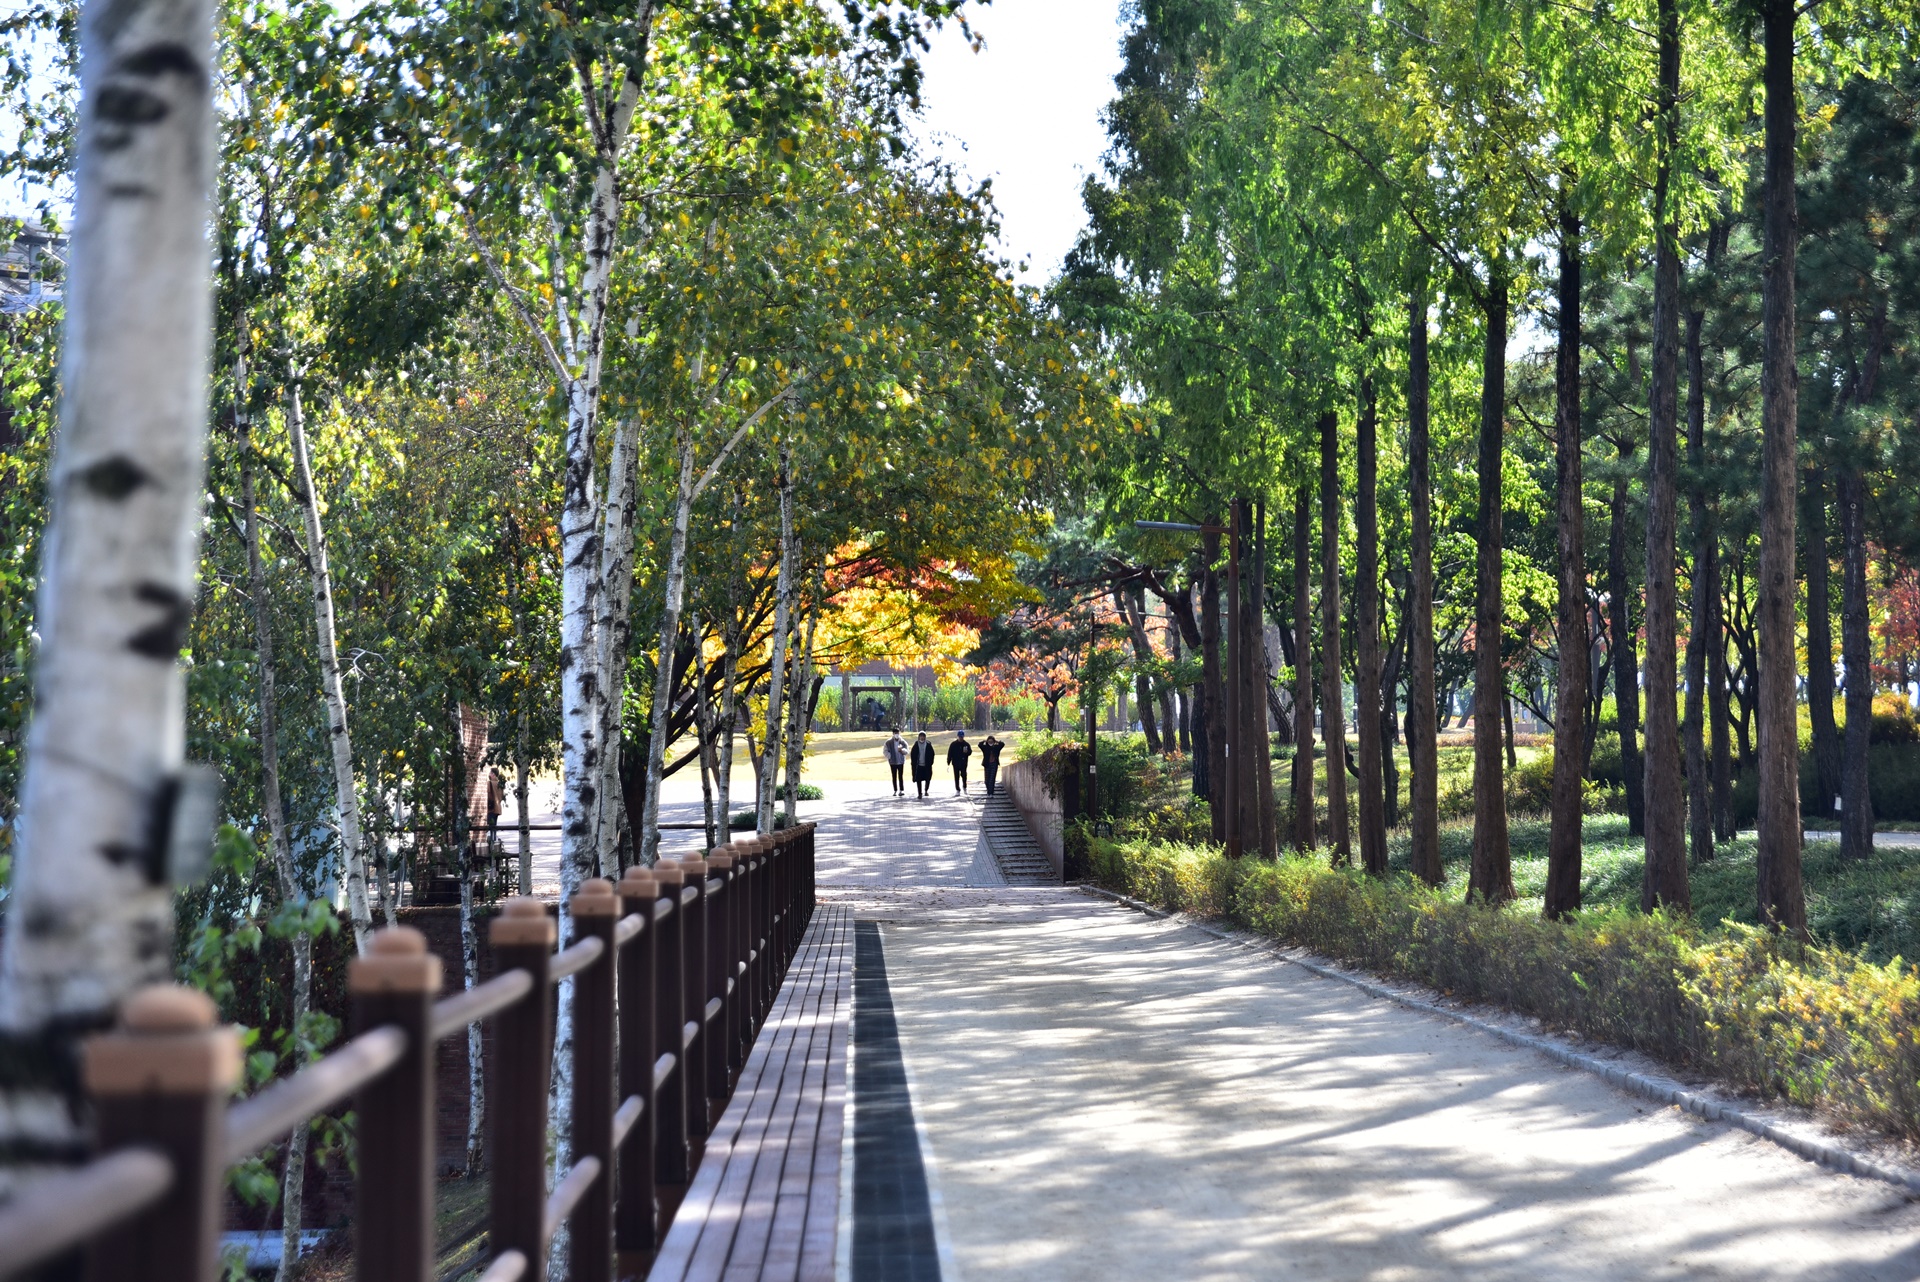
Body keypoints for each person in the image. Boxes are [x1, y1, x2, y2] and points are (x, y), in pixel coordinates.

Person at [909, 732, 936, 798]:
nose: (922, 738)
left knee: (928, 778)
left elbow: (932, 754)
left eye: (923, 736)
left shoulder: (928, 745)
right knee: (918, 779)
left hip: (927, 765)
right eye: (921, 736)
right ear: (919, 737)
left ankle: (926, 790)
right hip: (919, 766)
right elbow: (912, 755)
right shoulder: (916, 745)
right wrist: (914, 763)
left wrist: (930, 762)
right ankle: (920, 793)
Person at [947, 728, 973, 794]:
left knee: (964, 774)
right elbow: (950, 753)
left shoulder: (966, 744)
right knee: (956, 775)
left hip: (963, 762)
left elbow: (970, 752)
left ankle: (964, 785)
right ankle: (957, 788)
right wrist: (948, 760)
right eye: (960, 737)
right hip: (955, 762)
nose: (961, 738)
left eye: (962, 737)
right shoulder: (953, 744)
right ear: (957, 736)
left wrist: (967, 752)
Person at [883, 728, 908, 796]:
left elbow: (906, 751)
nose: (896, 734)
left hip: (900, 762)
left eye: (897, 733)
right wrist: (890, 756)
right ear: (893, 734)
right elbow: (885, 751)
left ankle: (901, 790)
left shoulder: (902, 742)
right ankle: (895, 790)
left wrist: (902, 751)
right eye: (895, 733)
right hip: (893, 762)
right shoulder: (888, 742)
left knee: (900, 776)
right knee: (894, 776)